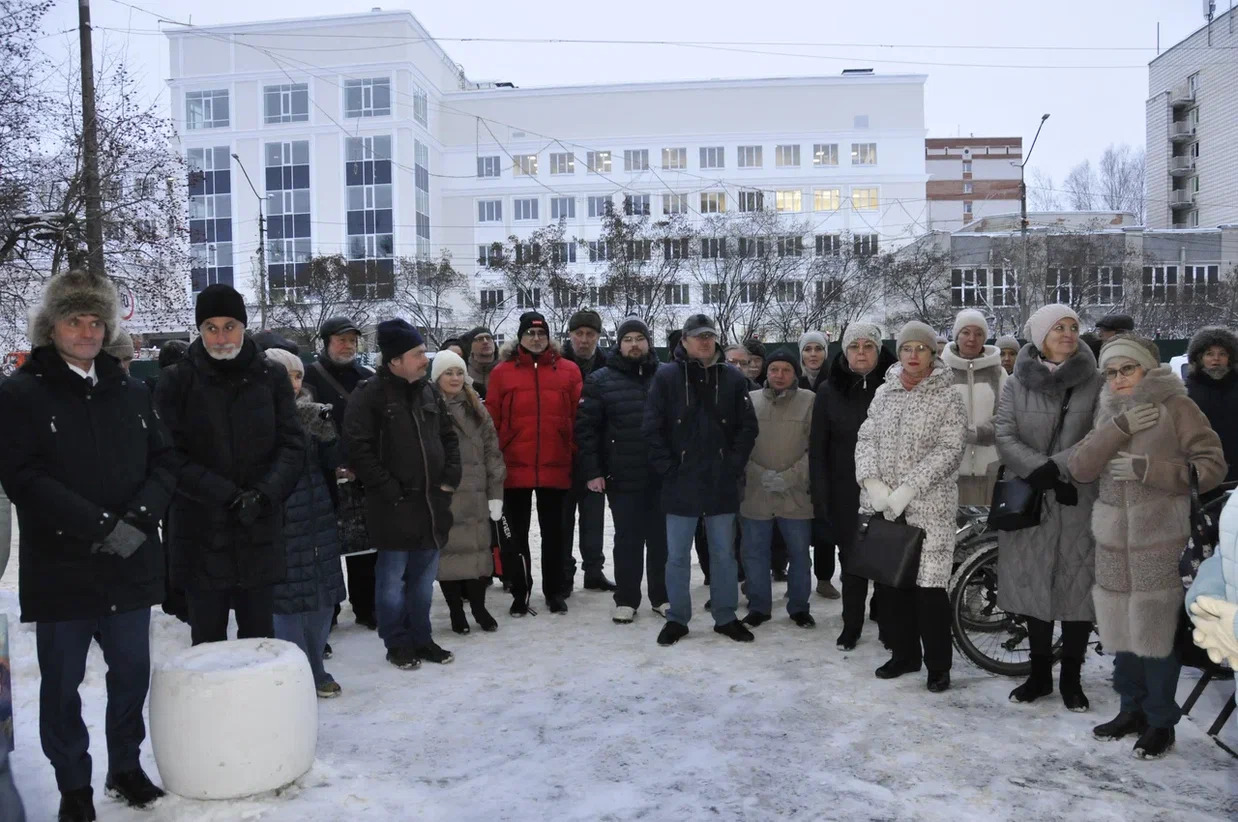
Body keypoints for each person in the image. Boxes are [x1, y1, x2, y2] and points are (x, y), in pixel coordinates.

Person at [0, 269, 175, 819]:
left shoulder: (133, 390)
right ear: (51, 327)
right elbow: (22, 477)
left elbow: (165, 462)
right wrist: (100, 526)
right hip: (62, 567)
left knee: (131, 675)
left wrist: (138, 520)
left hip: (131, 560)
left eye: (96, 321)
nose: (87, 331)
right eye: (74, 320)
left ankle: (125, 767)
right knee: (61, 686)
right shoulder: (21, 393)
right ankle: (73, 786)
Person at [1069, 334, 1225, 759]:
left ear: (1147, 369)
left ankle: (1160, 722)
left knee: (1156, 637)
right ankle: (1130, 710)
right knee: (1121, 632)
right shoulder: (1108, 410)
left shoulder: (1177, 406)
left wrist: (1148, 469)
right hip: (1112, 543)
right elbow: (1080, 467)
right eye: (1111, 372)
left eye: (1128, 369)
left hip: (1161, 542)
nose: (1119, 379)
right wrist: (1117, 429)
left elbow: (1211, 467)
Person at [155, 284, 304, 646]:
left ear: (243, 326)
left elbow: (293, 445)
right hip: (200, 533)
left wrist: (263, 494)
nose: (221, 337)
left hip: (259, 529)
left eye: (229, 326)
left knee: (259, 644)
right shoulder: (177, 380)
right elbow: (167, 454)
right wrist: (226, 495)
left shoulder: (271, 377)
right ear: (199, 330)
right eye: (211, 327)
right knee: (208, 646)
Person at [994, 304, 1103, 712]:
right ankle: (1039, 676)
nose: (1069, 333)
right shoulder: (1015, 382)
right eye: (1059, 327)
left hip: (1078, 495)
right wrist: (1037, 470)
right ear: (1040, 336)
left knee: (1077, 590)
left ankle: (1072, 679)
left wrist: (1056, 470)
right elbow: (1004, 433)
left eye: (1073, 326)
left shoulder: (1096, 382)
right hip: (1032, 498)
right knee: (1033, 586)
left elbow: (1099, 437)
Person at [855, 321, 967, 693]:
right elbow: (866, 438)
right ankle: (904, 655)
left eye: (921, 348)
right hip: (886, 506)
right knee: (892, 587)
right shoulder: (885, 392)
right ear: (899, 352)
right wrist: (872, 482)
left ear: (932, 353)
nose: (913, 355)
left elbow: (950, 449)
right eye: (907, 348)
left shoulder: (948, 395)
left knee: (930, 590)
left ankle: (938, 665)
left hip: (929, 506)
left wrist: (909, 487)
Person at [344, 319, 461, 669]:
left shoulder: (428, 392)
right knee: (391, 583)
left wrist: (450, 478)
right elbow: (358, 449)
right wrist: (389, 489)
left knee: (423, 583)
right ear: (395, 360)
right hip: (392, 508)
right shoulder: (369, 395)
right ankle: (396, 642)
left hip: (431, 505)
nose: (426, 359)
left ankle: (422, 638)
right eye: (418, 353)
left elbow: (449, 438)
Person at [642, 314, 759, 646]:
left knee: (724, 555)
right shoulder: (666, 377)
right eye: (698, 336)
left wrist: (732, 465)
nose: (705, 341)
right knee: (677, 556)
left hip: (721, 482)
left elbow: (748, 427)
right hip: (680, 483)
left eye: (709, 336)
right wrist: (669, 469)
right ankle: (677, 618)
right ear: (684, 341)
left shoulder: (732, 377)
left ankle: (725, 616)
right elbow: (651, 428)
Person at [262, 348, 347, 699]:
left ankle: (316, 666)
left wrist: (326, 431)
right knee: (287, 601)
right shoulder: (257, 416)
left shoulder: (312, 410)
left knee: (323, 597)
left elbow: (333, 463)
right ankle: (295, 673)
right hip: (281, 518)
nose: (294, 383)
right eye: (285, 375)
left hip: (318, 515)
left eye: (298, 375)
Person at [486, 311, 582, 615]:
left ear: (549, 337)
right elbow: (492, 419)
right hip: (514, 465)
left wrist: (571, 448)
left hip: (555, 463)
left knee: (555, 534)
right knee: (516, 535)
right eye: (530, 333)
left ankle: (554, 591)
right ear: (520, 338)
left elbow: (578, 418)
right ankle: (520, 590)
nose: (536, 339)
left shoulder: (568, 370)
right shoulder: (502, 372)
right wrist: (496, 456)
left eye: (541, 334)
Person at [576, 317, 668, 624]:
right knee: (628, 539)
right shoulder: (600, 380)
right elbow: (587, 430)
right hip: (622, 474)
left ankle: (661, 596)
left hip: (661, 474)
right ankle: (626, 599)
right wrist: (593, 471)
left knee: (661, 540)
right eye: (628, 339)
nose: (634, 344)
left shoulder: (666, 376)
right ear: (619, 344)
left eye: (639, 339)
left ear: (648, 343)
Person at [811, 323, 897, 649]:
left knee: (887, 559)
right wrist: (821, 495)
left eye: (868, 346)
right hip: (845, 490)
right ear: (845, 352)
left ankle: (887, 622)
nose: (861, 353)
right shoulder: (828, 391)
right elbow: (818, 448)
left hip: (888, 489)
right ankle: (851, 625)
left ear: (879, 350)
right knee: (852, 563)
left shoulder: (895, 386)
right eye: (854, 346)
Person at [301, 316, 378, 629]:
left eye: (352, 340)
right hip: (324, 472)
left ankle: (366, 606)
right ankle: (328, 611)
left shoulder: (367, 377)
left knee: (365, 545)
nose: (348, 346)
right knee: (326, 545)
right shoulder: (308, 377)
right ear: (326, 342)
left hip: (361, 473)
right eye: (341, 340)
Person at [739, 351, 817, 629]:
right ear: (766, 372)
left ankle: (799, 607)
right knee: (755, 553)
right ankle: (758, 606)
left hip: (795, 493)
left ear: (795, 373)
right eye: (774, 369)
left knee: (799, 554)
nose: (779, 375)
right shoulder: (750, 400)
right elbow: (740, 444)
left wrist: (791, 477)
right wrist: (759, 474)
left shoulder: (809, 401)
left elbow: (816, 448)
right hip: (756, 492)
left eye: (786, 370)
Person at [431, 350, 505, 634]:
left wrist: (496, 492)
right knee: (449, 555)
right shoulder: (429, 408)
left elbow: (492, 452)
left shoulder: (477, 408)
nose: (455, 378)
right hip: (446, 493)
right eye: (448, 373)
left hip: (476, 493)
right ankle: (455, 611)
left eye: (459, 372)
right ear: (437, 377)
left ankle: (479, 607)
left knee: (478, 554)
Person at [561, 308, 614, 593]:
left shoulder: (608, 365)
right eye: (579, 333)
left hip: (596, 456)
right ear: (570, 335)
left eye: (590, 334)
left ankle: (594, 570)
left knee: (593, 519)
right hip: (563, 455)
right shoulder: (557, 363)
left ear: (598, 336)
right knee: (563, 519)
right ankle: (565, 572)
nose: (584, 340)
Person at [943, 309, 1008, 506]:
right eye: (966, 332)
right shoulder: (941, 372)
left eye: (979, 334)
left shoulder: (998, 373)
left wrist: (979, 433)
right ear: (956, 336)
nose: (972, 339)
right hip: (949, 468)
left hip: (990, 468)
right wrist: (957, 434)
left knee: (986, 524)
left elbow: (1007, 414)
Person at [1184, 327, 1238, 483]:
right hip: (1203, 473)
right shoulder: (1186, 392)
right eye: (1209, 354)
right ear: (1199, 358)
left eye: (1222, 354)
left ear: (1230, 358)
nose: (1216, 359)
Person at [462, 325, 499, 396]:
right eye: (479, 339)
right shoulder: (464, 371)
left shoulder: (506, 367)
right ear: (470, 346)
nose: (485, 342)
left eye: (488, 338)